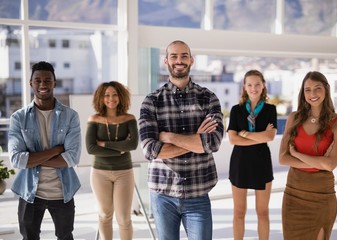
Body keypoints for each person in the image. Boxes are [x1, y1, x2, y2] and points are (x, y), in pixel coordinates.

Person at [138, 40, 224, 240]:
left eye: (184, 56)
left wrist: (168, 137)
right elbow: (151, 150)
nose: (179, 61)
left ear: (191, 60)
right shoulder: (152, 101)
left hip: (198, 191)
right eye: (174, 56)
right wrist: (196, 141)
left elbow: (213, 143)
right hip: (162, 194)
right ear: (166, 61)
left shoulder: (208, 98)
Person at [8, 61, 81, 240]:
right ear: (31, 83)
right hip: (30, 192)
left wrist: (32, 159)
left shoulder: (70, 116)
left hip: (62, 192)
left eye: (47, 80)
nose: (43, 85)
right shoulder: (18, 118)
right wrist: (57, 150)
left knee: (65, 237)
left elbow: (71, 158)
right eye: (38, 80)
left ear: (54, 83)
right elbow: (17, 159)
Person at [279, 71, 337, 240]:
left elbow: (331, 165)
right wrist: (320, 162)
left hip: (321, 197)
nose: (312, 94)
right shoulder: (293, 118)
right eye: (307, 90)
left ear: (326, 89)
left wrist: (296, 154)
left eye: (317, 88)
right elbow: (283, 158)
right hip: (293, 195)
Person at [227, 70, 277, 240]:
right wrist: (259, 137)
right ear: (244, 87)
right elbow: (233, 139)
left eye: (257, 84)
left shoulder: (271, 109)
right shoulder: (236, 110)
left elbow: (269, 137)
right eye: (250, 84)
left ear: (263, 85)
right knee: (239, 212)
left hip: (262, 163)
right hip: (240, 163)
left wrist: (245, 134)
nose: (253, 88)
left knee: (262, 212)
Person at [86, 81, 138, 240]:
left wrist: (105, 144)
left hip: (124, 173)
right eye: (106, 95)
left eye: (115, 94)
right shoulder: (94, 119)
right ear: (100, 98)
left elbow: (133, 144)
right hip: (100, 173)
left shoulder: (130, 118)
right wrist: (120, 149)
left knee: (124, 219)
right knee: (105, 215)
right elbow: (91, 148)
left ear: (121, 96)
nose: (111, 98)